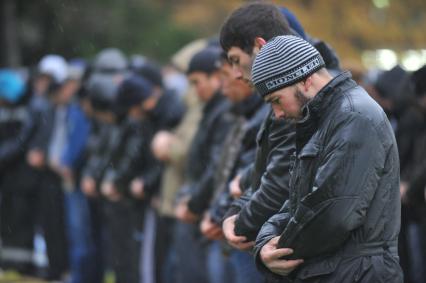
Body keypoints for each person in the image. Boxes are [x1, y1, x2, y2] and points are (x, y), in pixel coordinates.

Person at [252, 35, 402, 282]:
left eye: (276, 100)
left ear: (306, 80)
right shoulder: (325, 120)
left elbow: (332, 214)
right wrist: (265, 243)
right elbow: (297, 203)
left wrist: (275, 251)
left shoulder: (354, 117)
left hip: (357, 274)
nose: (277, 114)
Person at [219, 1, 296, 251]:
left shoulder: (297, 102)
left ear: (259, 46)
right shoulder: (283, 97)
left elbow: (281, 180)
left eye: (235, 60)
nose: (235, 74)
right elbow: (269, 165)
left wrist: (241, 225)